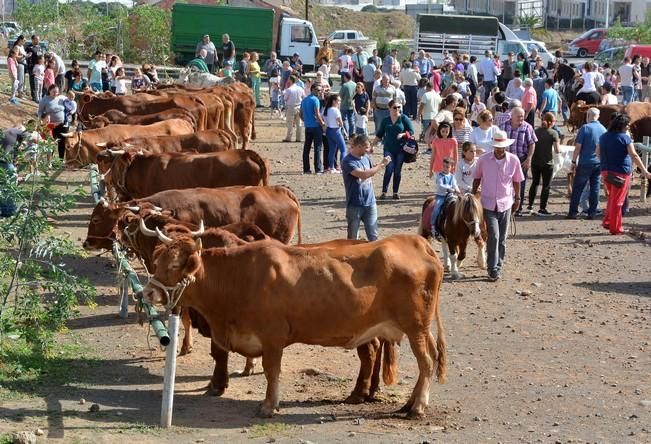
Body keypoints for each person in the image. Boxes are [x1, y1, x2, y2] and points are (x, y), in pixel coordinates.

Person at [472, 130, 524, 281]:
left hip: (506, 202)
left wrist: (518, 198)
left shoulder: (513, 160)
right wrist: (473, 195)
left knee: (502, 238)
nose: (500, 149)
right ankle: (492, 268)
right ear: (493, 146)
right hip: (487, 203)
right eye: (497, 146)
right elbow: (477, 177)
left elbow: (516, 181)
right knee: (493, 235)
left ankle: (498, 265)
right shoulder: (483, 160)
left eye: (502, 146)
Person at [598, 113, 651, 234]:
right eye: (627, 124)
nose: (628, 126)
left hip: (606, 171)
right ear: (622, 125)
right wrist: (644, 171)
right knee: (618, 201)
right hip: (621, 172)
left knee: (612, 198)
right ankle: (616, 227)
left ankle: (608, 221)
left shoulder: (604, 137)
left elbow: (598, 152)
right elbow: (634, 155)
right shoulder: (625, 138)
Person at [342, 135, 391, 241]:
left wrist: (381, 163)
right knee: (353, 238)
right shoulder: (347, 161)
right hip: (355, 204)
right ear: (359, 146)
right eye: (367, 147)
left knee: (373, 236)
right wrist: (380, 166)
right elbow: (363, 174)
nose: (369, 150)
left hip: (370, 202)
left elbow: (371, 172)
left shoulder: (366, 158)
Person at [567, 108, 607, 220]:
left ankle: (573, 212)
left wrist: (574, 161)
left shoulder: (585, 128)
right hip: (598, 163)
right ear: (598, 116)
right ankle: (592, 212)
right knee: (595, 188)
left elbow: (578, 147)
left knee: (578, 188)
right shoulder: (603, 129)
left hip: (585, 162)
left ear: (588, 116)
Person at [373, 99, 415, 200]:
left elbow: (412, 131)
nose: (397, 109)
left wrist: (403, 134)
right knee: (389, 169)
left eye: (399, 107)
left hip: (401, 149)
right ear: (389, 108)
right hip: (388, 148)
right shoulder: (386, 120)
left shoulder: (404, 118)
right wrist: (371, 145)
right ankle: (384, 192)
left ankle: (395, 192)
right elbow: (379, 135)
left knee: (397, 171)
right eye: (395, 107)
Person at [500, 106, 537, 215]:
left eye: (522, 116)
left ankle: (518, 207)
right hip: (506, 158)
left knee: (520, 182)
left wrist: (529, 158)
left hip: (521, 159)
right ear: (512, 116)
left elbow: (532, 143)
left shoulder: (527, 127)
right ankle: (506, 205)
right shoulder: (503, 126)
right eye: (518, 116)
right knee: (505, 182)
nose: (521, 119)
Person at [527, 112, 560, 216]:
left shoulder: (535, 131)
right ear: (551, 122)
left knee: (534, 183)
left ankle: (530, 205)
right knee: (546, 186)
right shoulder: (553, 133)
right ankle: (542, 207)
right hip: (547, 162)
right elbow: (557, 150)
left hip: (535, 161)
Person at [430, 157, 460, 239]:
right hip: (441, 196)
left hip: (450, 195)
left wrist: (458, 191)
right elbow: (440, 185)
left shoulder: (452, 176)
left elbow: (455, 185)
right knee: (437, 208)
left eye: (447, 167)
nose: (445, 168)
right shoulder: (439, 175)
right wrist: (449, 188)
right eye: (444, 166)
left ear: (452, 167)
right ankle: (433, 225)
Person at [300, 83, 326, 174]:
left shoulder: (304, 100)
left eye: (320, 90)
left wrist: (306, 121)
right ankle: (318, 168)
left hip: (308, 127)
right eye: (318, 90)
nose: (320, 92)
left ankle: (306, 169)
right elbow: (317, 114)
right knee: (317, 148)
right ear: (313, 89)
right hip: (315, 127)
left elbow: (301, 114)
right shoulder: (315, 100)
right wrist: (322, 124)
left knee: (306, 148)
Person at [38, 85, 69, 160]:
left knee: (62, 142)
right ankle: (49, 160)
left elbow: (71, 103)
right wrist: (42, 119)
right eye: (54, 92)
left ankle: (60, 160)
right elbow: (40, 111)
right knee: (51, 142)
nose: (56, 93)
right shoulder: (45, 100)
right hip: (51, 125)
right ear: (49, 91)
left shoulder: (62, 98)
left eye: (57, 92)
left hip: (62, 124)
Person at [323, 94, 347, 173]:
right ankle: (343, 168)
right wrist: (344, 131)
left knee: (332, 150)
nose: (339, 102)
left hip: (328, 130)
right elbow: (340, 122)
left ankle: (332, 167)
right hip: (335, 130)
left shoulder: (326, 109)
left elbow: (325, 121)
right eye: (338, 101)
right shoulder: (335, 110)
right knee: (343, 149)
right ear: (334, 101)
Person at [283, 75, 304, 143]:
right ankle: (298, 138)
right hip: (299, 106)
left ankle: (289, 137)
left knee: (290, 123)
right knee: (299, 123)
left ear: (291, 80)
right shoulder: (300, 88)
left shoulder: (289, 89)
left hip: (291, 106)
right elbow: (304, 97)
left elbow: (285, 98)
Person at [25, 35, 45, 102]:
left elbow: (41, 56)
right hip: (33, 68)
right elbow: (28, 59)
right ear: (33, 40)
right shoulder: (29, 48)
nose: (38, 41)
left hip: (40, 68)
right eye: (36, 39)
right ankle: (34, 97)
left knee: (40, 83)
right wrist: (30, 69)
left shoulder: (39, 47)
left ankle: (39, 97)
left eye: (39, 39)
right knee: (33, 83)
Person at [339, 72, 356, 138]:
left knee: (344, 120)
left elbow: (340, 95)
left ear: (345, 77)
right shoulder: (355, 84)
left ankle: (346, 134)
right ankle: (351, 134)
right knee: (351, 120)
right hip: (352, 106)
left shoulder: (345, 85)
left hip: (344, 105)